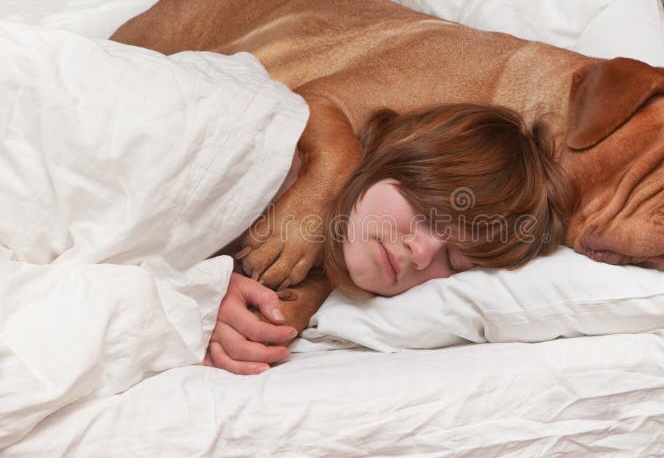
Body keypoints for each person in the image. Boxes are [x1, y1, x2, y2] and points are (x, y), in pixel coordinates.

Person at [205, 103, 575, 374]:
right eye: (429, 214)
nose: (422, 253)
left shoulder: (346, 251)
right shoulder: (261, 150)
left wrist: (202, 297)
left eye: (453, 262)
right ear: (399, 154)